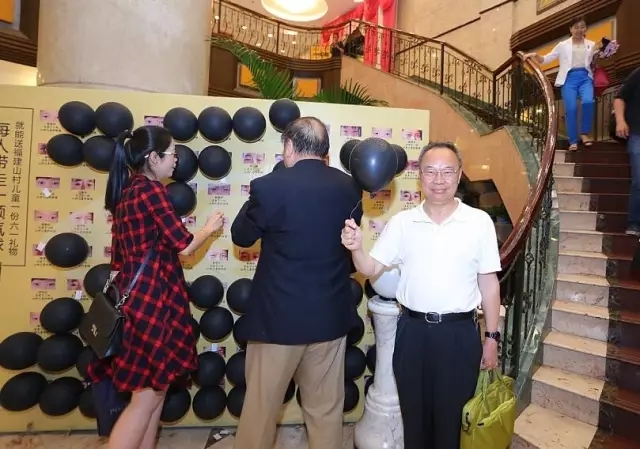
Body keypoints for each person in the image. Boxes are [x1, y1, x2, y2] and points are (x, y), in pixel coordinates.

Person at [341, 141, 502, 449]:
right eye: (430, 171)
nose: (438, 180)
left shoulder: (478, 222)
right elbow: (370, 268)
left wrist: (492, 337)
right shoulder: (403, 223)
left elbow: (489, 283)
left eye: (447, 171)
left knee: (452, 425)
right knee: (414, 422)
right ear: (420, 177)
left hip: (459, 336)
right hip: (412, 334)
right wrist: (357, 248)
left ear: (459, 175)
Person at [87, 125, 224, 449]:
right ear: (153, 158)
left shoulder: (128, 192)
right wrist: (209, 228)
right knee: (146, 398)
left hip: (139, 298)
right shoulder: (151, 192)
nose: (176, 159)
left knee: (155, 391)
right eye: (172, 154)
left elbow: (118, 259)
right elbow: (184, 245)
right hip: (152, 301)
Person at [231, 117, 363, 449]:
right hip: (329, 317)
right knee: (326, 412)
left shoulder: (269, 187)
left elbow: (241, 236)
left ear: (289, 146)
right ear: (325, 151)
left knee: (261, 411)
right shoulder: (350, 188)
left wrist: (259, 197)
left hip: (278, 321)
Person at [525, 16, 602, 151]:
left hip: (585, 77)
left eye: (582, 27)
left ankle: (584, 133)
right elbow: (546, 59)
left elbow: (595, 62)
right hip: (569, 78)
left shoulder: (591, 44)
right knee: (571, 108)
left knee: (588, 101)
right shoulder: (563, 45)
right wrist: (535, 55)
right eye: (576, 27)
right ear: (570, 29)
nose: (579, 30)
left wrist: (604, 53)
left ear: (585, 28)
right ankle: (573, 140)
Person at [614, 67, 640, 236]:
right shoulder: (638, 73)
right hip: (637, 134)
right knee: (639, 178)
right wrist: (620, 121)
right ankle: (634, 223)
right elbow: (619, 98)